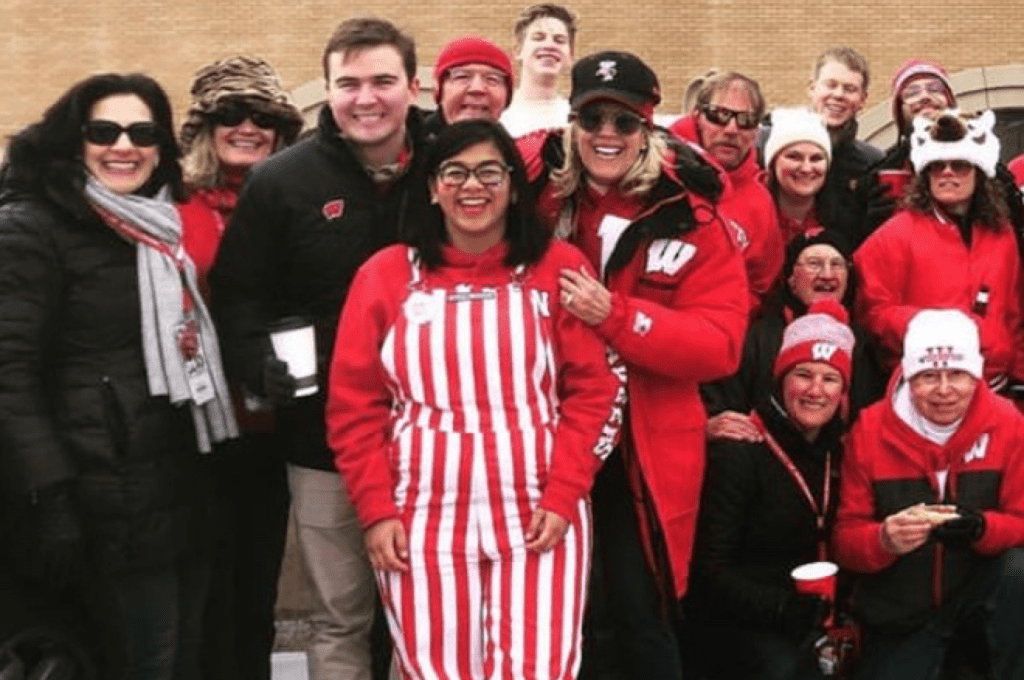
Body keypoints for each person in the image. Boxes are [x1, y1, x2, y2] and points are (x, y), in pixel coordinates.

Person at [327, 118, 623, 680]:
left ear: (514, 186)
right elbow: (354, 408)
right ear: (432, 187)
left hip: (538, 514)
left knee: (538, 670)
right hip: (423, 518)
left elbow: (594, 392)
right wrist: (376, 511)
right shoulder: (385, 276)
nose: (473, 187)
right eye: (455, 173)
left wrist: (564, 495)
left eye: (490, 172)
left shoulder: (557, 268)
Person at [208, 17, 429, 680]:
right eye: (350, 83)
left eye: (383, 81)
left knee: (424, 613)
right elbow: (239, 292)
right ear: (328, 92)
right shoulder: (282, 181)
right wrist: (259, 364)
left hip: (437, 440)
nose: (367, 98)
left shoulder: (451, 167)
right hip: (322, 441)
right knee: (339, 619)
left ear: (413, 87)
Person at [0, 72, 237, 679]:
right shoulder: (31, 227)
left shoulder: (157, 229)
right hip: (100, 499)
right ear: (72, 140)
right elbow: (10, 374)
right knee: (142, 663)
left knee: (183, 658)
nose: (123, 146)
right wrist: (49, 497)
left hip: (178, 482)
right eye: (103, 131)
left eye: (142, 132)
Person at [520, 50, 749, 678]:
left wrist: (616, 316)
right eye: (592, 118)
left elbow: (719, 345)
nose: (606, 135)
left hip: (640, 452)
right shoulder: (534, 196)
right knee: (552, 614)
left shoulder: (693, 218)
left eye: (624, 122)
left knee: (637, 614)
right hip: (543, 441)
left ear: (648, 128)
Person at [176, 55, 303, 680]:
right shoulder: (170, 204)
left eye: (262, 116)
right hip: (190, 431)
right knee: (200, 589)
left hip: (270, 424)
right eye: (230, 115)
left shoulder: (294, 199)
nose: (246, 127)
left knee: (255, 588)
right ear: (206, 126)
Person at [834, 309, 1024, 679]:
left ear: (976, 376)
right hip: (897, 616)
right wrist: (883, 540)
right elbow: (845, 539)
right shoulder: (871, 428)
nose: (943, 390)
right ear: (907, 374)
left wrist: (981, 528)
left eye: (957, 374)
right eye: (928, 376)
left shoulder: (1009, 424)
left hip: (976, 605)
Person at [688, 300, 854, 680]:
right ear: (780, 379)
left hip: (817, 616)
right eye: (803, 375)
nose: (816, 390)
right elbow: (709, 575)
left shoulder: (839, 451)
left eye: (830, 379)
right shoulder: (740, 449)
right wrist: (783, 609)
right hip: (748, 624)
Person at [855, 109, 1024, 390]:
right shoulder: (893, 235)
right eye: (938, 165)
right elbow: (873, 315)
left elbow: (1013, 314)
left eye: (959, 164)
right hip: (928, 390)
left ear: (979, 172)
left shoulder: (1001, 233)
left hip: (998, 390)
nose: (947, 173)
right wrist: (939, 326)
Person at [702, 229, 885, 443]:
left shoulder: (862, 342)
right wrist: (712, 425)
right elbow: (722, 404)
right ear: (790, 280)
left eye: (837, 264)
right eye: (814, 264)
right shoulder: (757, 336)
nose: (827, 274)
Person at [669, 71, 783, 310]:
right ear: (698, 116)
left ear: (755, 131)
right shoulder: (659, 172)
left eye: (745, 120)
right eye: (719, 115)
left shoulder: (760, 203)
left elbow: (761, 283)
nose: (732, 129)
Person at [853, 59, 957, 246]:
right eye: (912, 92)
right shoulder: (880, 174)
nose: (925, 97)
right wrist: (868, 224)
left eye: (935, 88)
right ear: (900, 113)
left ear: (950, 102)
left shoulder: (985, 164)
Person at [803, 46, 882, 238]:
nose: (838, 95)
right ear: (812, 88)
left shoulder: (873, 163)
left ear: (863, 99)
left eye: (850, 89)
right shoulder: (771, 150)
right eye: (830, 85)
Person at [500, 2, 577, 137]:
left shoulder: (576, 118)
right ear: (518, 50)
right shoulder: (498, 112)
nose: (549, 45)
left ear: (570, 54)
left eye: (559, 40)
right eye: (538, 38)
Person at [763, 107, 833, 242]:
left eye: (816, 159)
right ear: (773, 163)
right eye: (794, 157)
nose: (806, 168)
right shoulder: (752, 217)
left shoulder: (847, 221)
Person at [424, 35, 515, 137]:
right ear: (438, 91)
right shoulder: (410, 146)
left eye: (492, 79)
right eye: (462, 76)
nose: (477, 88)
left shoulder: (514, 150)